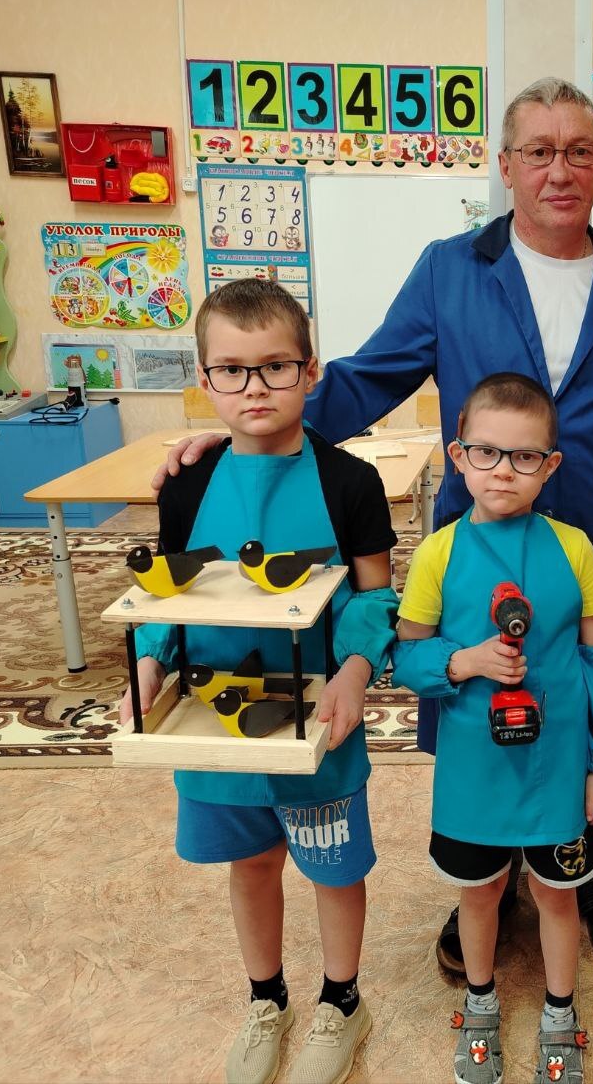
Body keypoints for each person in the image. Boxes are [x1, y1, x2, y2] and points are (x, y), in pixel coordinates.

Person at [159, 76, 593, 971]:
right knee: (473, 702)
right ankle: (483, 872)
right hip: (475, 549)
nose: (558, 169)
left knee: (586, 694)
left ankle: (584, 866)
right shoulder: (450, 268)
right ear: (506, 165)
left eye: (579, 150)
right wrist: (252, 427)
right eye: (538, 151)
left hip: (591, 548)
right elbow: (368, 377)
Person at [120, 279, 398, 1084]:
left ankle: (342, 1000)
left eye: (275, 367)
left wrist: (354, 670)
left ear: (310, 371)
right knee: (251, 862)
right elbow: (168, 594)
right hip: (214, 715)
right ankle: (265, 996)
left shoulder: (351, 483)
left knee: (334, 868)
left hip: (319, 723)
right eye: (232, 370)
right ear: (204, 378)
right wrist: (149, 666)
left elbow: (376, 596)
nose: (254, 388)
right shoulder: (187, 483)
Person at [394, 372, 593, 1084]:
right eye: (486, 452)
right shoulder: (437, 553)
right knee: (479, 892)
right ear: (458, 455)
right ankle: (480, 1004)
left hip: (557, 764)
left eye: (524, 456)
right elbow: (407, 656)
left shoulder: (575, 547)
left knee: (558, 894)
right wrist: (463, 661)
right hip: (474, 768)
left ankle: (560, 1013)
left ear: (549, 466)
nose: (503, 470)